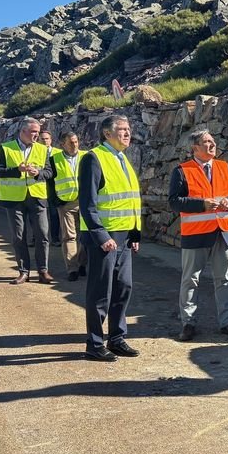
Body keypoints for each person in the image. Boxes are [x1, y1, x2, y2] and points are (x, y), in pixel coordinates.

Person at [168, 129, 228, 340]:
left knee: (225, 279)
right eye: (206, 142)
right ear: (195, 148)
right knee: (191, 280)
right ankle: (188, 324)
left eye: (213, 141)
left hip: (223, 233)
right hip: (196, 235)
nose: (212, 145)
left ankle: (227, 322)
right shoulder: (182, 171)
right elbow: (174, 202)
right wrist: (201, 205)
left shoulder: (226, 167)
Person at [78, 115, 141, 362]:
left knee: (123, 288)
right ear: (107, 133)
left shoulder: (122, 158)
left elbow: (130, 201)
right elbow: (88, 203)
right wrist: (101, 235)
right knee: (100, 292)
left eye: (128, 129)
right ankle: (94, 344)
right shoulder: (94, 158)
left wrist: (135, 233)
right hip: (104, 238)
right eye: (122, 130)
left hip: (124, 237)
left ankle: (116, 338)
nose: (127, 134)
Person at [0, 116, 56, 284]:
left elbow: (50, 173)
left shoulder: (43, 150)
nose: (37, 135)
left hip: (37, 197)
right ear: (23, 131)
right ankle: (24, 271)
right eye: (33, 132)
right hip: (15, 199)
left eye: (38, 132)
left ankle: (43, 271)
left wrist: (38, 174)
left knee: (42, 234)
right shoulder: (6, 148)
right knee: (19, 236)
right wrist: (16, 170)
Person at [50, 130, 88, 281]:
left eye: (76, 141)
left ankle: (82, 263)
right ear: (62, 144)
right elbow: (50, 182)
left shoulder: (87, 156)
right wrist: (55, 200)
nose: (74, 145)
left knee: (86, 235)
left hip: (85, 202)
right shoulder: (54, 159)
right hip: (65, 203)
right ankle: (72, 269)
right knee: (69, 237)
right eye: (71, 142)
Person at [39, 129, 62, 246]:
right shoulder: (35, 152)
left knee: (54, 214)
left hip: (54, 186)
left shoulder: (58, 153)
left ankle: (55, 238)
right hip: (38, 185)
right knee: (38, 214)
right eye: (42, 139)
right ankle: (36, 238)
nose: (44, 141)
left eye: (46, 139)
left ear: (51, 140)